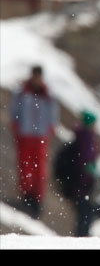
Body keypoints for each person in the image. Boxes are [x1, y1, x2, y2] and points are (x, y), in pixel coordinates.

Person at [10, 65, 59, 219]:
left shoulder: (47, 95)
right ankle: (26, 195)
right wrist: (16, 127)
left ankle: (37, 198)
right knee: (25, 166)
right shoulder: (22, 93)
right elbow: (15, 112)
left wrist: (49, 130)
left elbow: (53, 115)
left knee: (39, 169)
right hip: (25, 135)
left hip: (40, 137)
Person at [72, 110, 99, 236]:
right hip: (84, 180)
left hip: (78, 179)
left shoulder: (80, 135)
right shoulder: (87, 136)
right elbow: (86, 159)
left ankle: (81, 234)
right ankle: (82, 236)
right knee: (86, 211)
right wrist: (93, 173)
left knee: (83, 211)